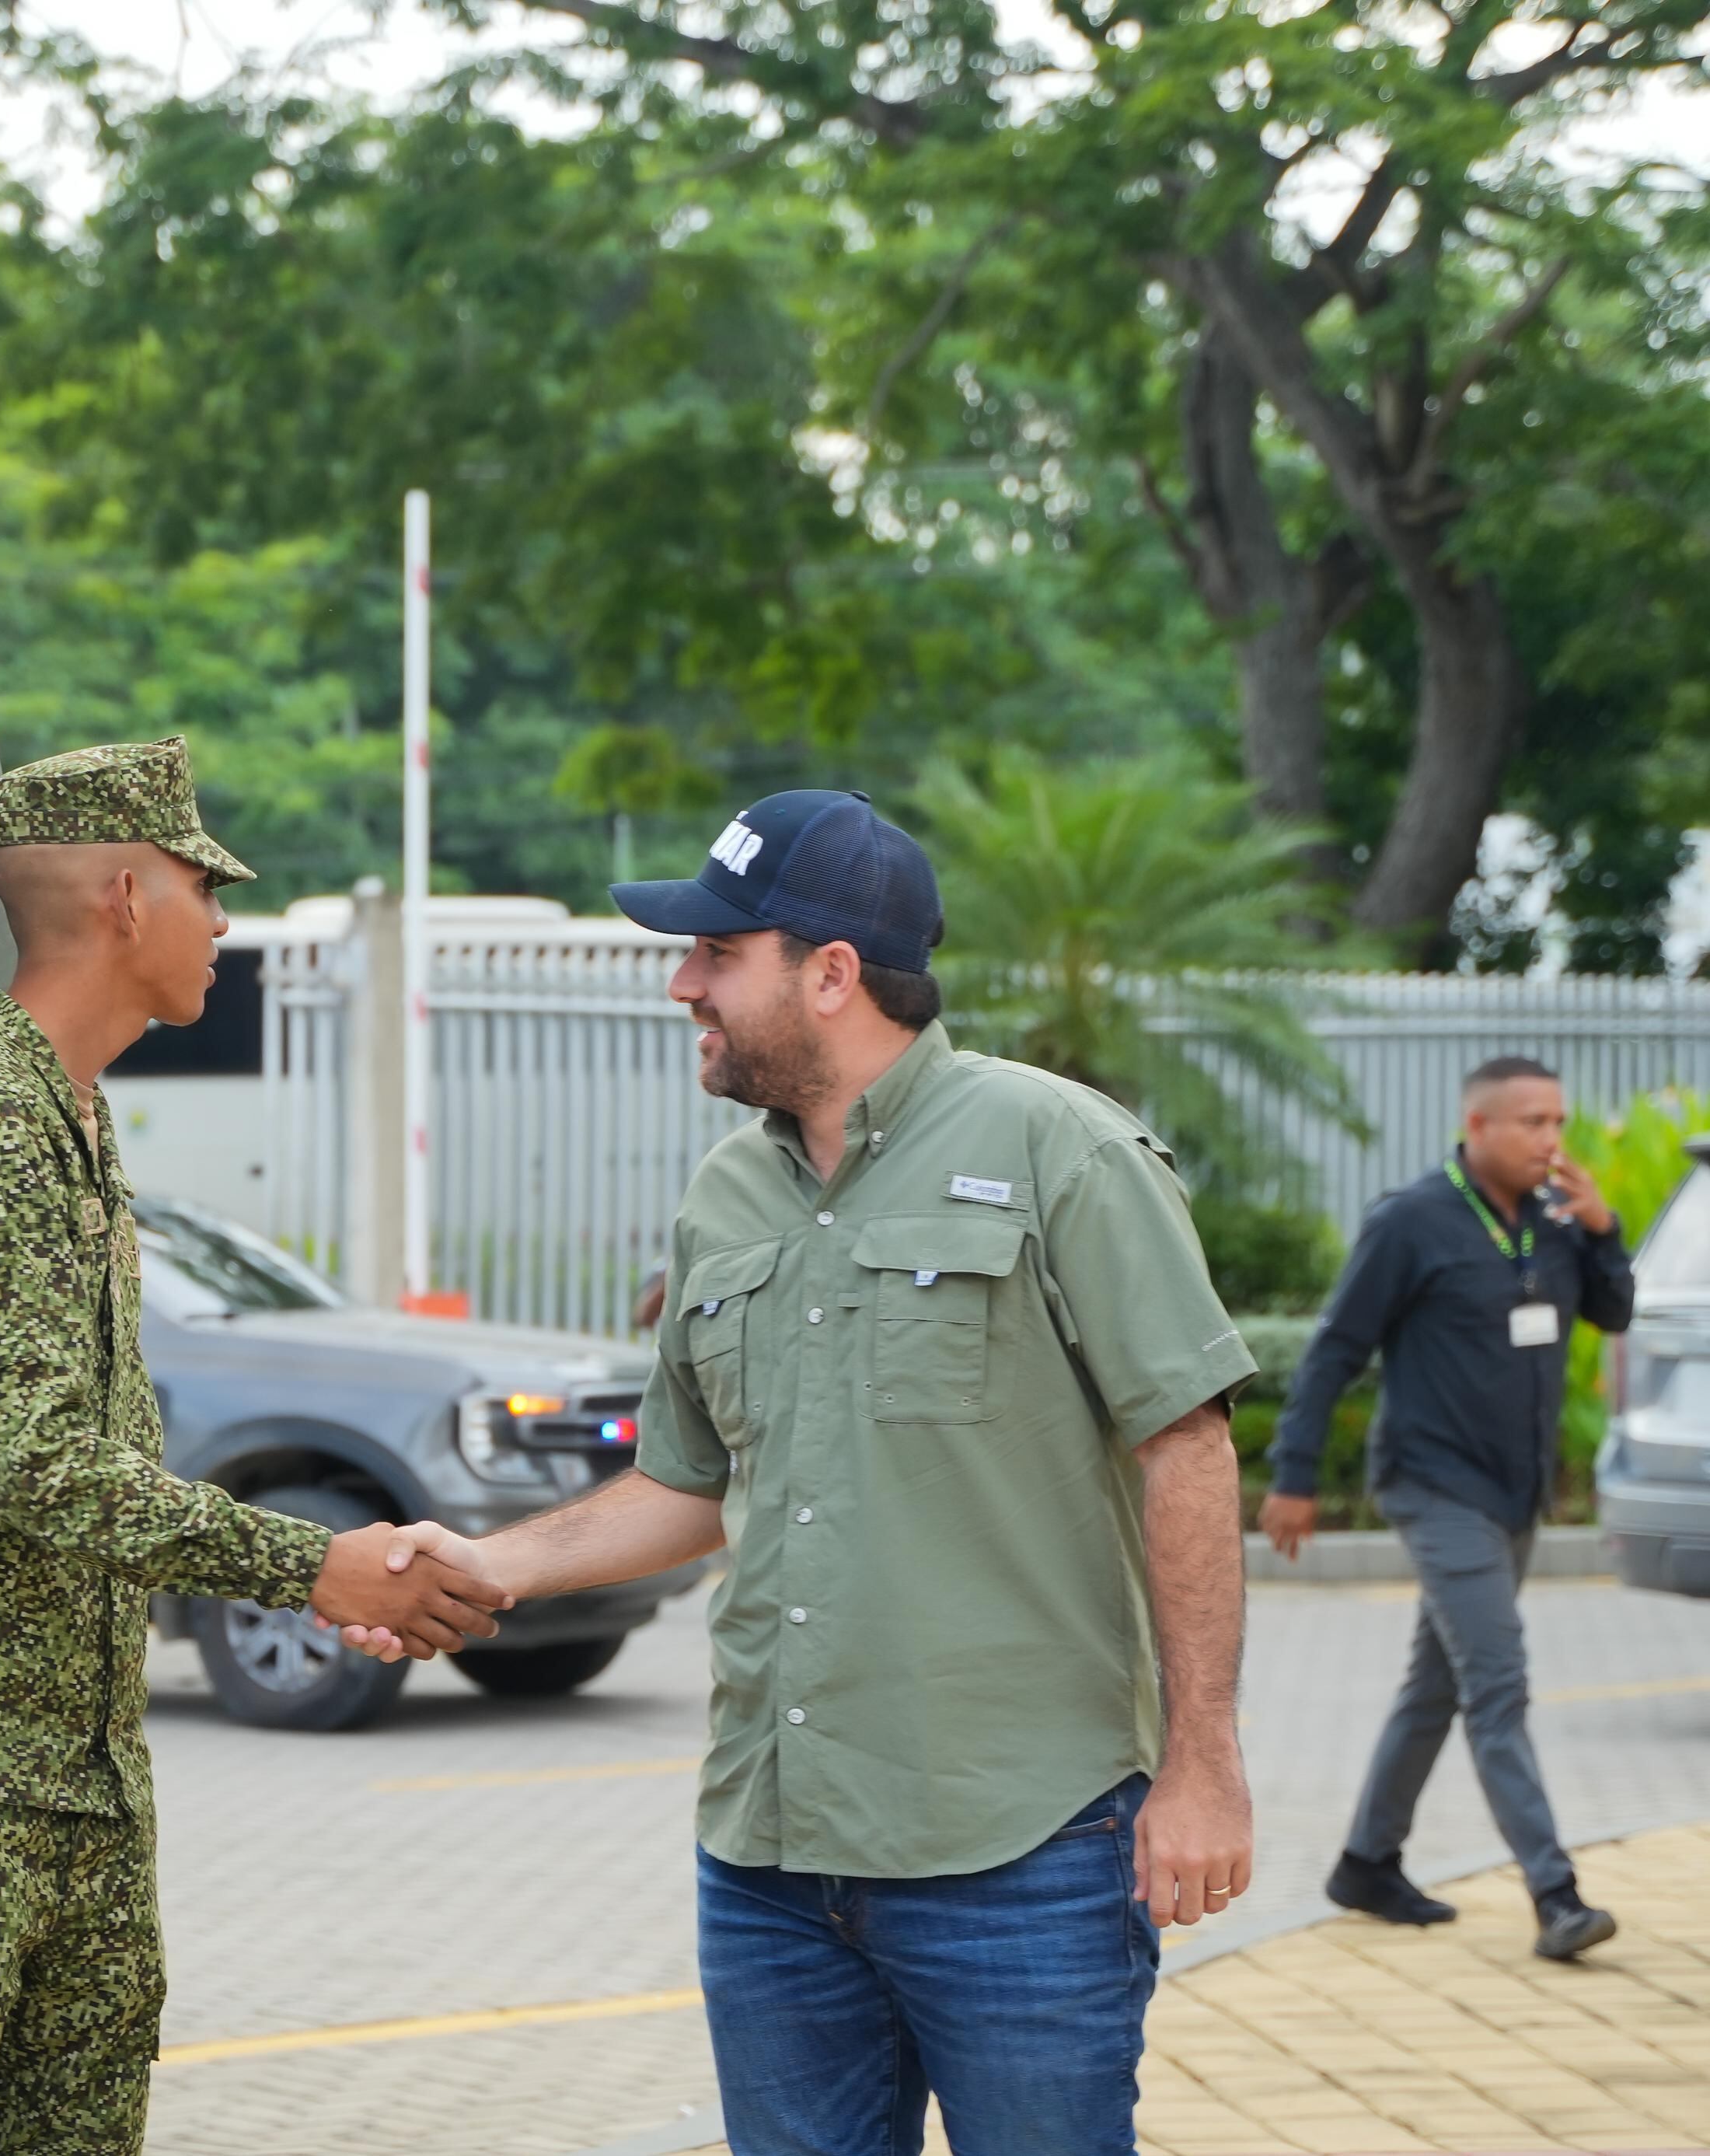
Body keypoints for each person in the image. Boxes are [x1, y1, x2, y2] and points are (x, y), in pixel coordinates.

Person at [357, 788, 1259, 2156]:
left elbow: (1186, 1446)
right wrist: (496, 1565)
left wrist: (1205, 1766)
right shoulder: (727, 1195)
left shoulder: (1057, 1148)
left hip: (1019, 1850)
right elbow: (692, 1479)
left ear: (831, 973)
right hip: (771, 1863)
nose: (682, 983)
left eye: (718, 953)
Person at [0, 736, 511, 2155]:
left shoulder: (78, 1116)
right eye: (200, 885)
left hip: (82, 1773)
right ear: (123, 894)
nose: (222, 921)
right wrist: (315, 1567)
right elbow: (34, 1461)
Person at [1263, 1055, 1635, 1961]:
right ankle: (1556, 1894)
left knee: (1435, 1684)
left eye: (1557, 1121)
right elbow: (1332, 1350)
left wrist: (1601, 1229)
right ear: (1476, 1127)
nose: (1551, 1139)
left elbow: (1612, 1314)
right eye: (1531, 1123)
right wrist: (1294, 1474)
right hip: (1434, 1487)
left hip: (1516, 1492)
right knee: (1496, 1684)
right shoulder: (1410, 1221)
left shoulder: (1555, 1222)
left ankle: (1364, 1862)